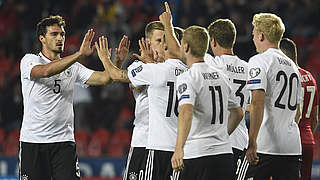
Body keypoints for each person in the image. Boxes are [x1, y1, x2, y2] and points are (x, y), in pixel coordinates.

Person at [19, 15, 112, 180]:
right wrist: (79, 54)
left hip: (63, 143)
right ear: (42, 38)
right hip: (33, 142)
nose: (60, 38)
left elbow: (105, 78)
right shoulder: (29, 60)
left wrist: (114, 61)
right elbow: (45, 71)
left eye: (62, 34)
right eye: (54, 34)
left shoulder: (73, 68)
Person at [170, 25, 243, 180]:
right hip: (223, 154)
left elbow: (186, 112)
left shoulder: (188, 77)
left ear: (186, 47)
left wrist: (178, 148)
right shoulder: (222, 77)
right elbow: (238, 113)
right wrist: (222, 135)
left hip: (197, 154)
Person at [245, 13, 302, 180]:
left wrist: (252, 141)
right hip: (292, 147)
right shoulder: (293, 66)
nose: (253, 37)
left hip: (266, 146)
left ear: (261, 35)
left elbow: (257, 102)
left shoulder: (259, 61)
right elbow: (297, 112)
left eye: (254, 33)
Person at [206, 19, 250, 179]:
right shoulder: (248, 68)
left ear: (213, 41)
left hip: (218, 143)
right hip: (241, 141)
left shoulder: (212, 63)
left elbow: (183, 51)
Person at [280, 38, 319, 180]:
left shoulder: (288, 78)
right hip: (308, 140)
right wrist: (307, 134)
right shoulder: (310, 77)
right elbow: (315, 118)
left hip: (290, 141)